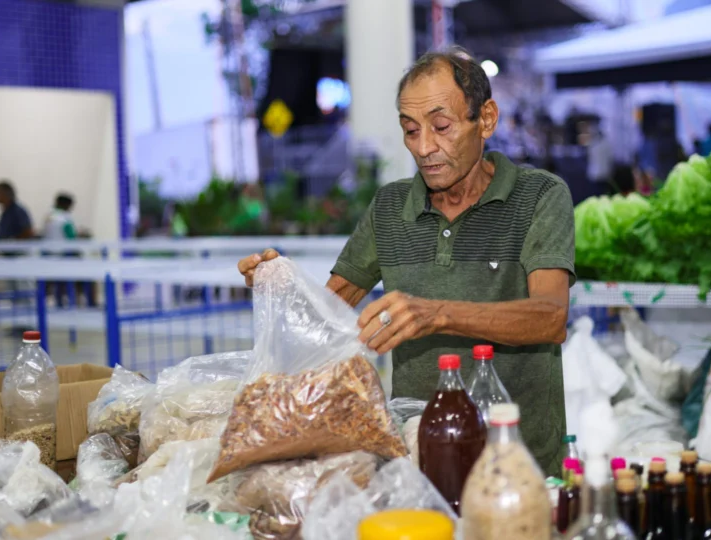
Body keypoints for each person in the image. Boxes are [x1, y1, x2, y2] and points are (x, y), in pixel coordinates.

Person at [238, 46, 575, 475]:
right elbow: (327, 313)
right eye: (411, 130)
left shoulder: (539, 196)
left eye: (441, 126)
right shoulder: (390, 206)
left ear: (486, 119)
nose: (424, 147)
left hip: (520, 460)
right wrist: (280, 284)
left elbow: (550, 318)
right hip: (420, 462)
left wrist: (435, 314)